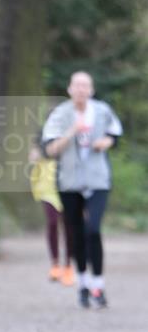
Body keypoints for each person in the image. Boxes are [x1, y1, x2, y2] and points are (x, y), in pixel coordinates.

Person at [42, 71, 122, 308]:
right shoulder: (59, 114)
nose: (80, 90)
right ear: (69, 89)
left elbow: (115, 135)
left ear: (92, 89)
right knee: (75, 232)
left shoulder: (103, 111)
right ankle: (83, 284)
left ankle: (98, 284)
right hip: (69, 181)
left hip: (98, 180)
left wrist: (105, 143)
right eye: (76, 85)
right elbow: (50, 150)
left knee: (93, 229)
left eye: (85, 85)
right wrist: (72, 132)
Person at [28, 138, 74, 285]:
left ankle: (68, 265)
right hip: (48, 186)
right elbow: (34, 156)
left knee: (69, 226)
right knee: (52, 222)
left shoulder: (72, 133)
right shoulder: (44, 136)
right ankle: (55, 264)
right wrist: (35, 155)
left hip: (69, 185)